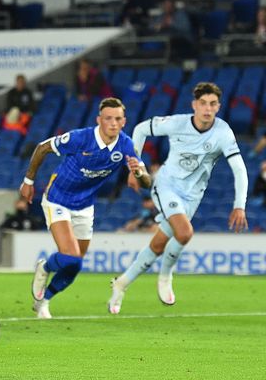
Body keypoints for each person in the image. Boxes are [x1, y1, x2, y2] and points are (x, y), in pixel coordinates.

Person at [108, 83, 249, 314]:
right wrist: (135, 166)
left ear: (218, 107)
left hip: (193, 195)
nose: (207, 108)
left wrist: (239, 206)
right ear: (194, 105)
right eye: (202, 103)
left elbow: (240, 170)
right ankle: (165, 276)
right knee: (184, 232)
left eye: (212, 104)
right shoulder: (178, 123)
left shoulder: (223, 132)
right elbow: (142, 128)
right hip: (166, 186)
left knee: (158, 243)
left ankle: (121, 284)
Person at [21, 97, 151, 319]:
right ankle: (44, 267)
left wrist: (138, 172)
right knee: (70, 256)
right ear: (99, 120)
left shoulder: (126, 145)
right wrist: (29, 181)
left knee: (75, 265)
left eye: (117, 119)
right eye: (108, 118)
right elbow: (43, 148)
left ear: (124, 122)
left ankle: (43, 302)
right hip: (57, 199)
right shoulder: (80, 138)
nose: (112, 123)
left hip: (85, 206)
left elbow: (147, 182)